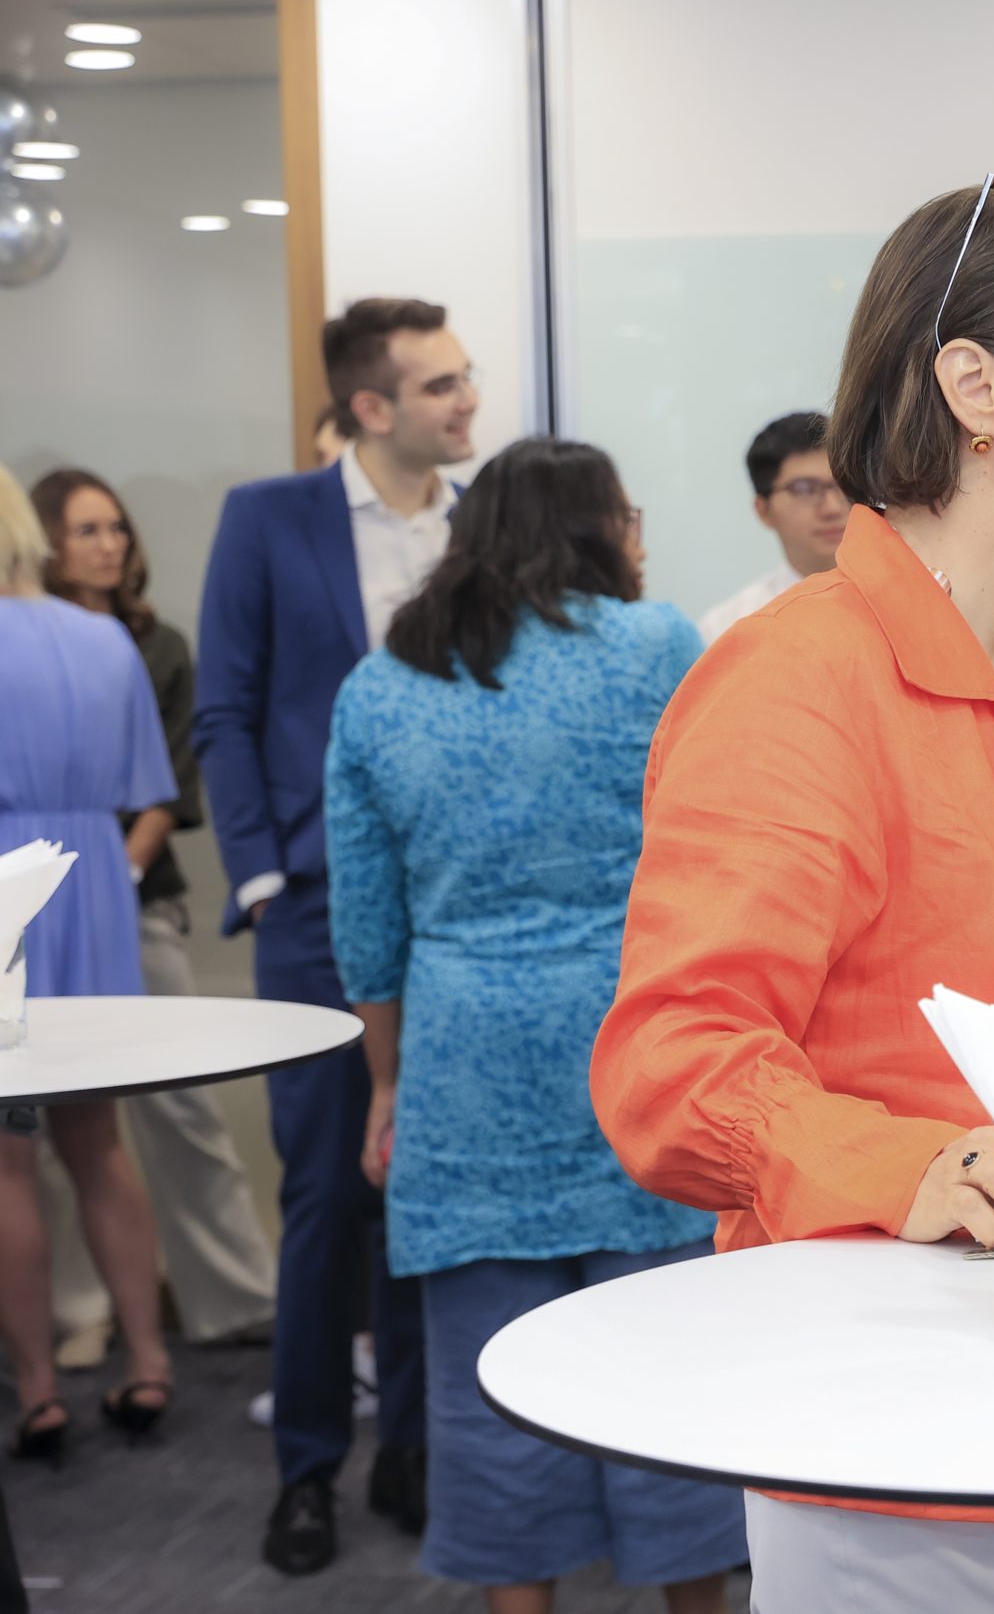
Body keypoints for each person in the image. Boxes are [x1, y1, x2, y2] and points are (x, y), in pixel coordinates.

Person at [592, 176, 994, 1614]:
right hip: (897, 1428)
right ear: (974, 387)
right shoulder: (798, 680)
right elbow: (676, 1065)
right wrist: (921, 1169)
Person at [326, 437, 739, 1613]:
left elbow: (367, 925)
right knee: (673, 1373)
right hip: (636, 1046)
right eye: (628, 515)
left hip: (464, 1061)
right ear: (595, 527)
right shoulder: (656, 645)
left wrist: (388, 1086)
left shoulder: (381, 684)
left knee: (486, 1392)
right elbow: (723, 849)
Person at [198, 296, 470, 1573]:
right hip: (311, 908)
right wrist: (261, 880)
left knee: (421, 1181)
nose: (468, 403)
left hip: (449, 907)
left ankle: (412, 1445)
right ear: (371, 406)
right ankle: (306, 1468)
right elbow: (226, 707)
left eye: (465, 379)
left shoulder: (480, 526)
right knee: (322, 1193)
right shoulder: (270, 518)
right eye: (442, 386)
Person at [28, 469, 278, 1357]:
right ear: (45, 542)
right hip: (36, 903)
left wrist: (110, 873)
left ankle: (236, 1299)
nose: (110, 545)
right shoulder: (28, 643)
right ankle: (80, 1313)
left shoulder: (157, 644)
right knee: (45, 1127)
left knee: (178, 1107)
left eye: (117, 528)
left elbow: (167, 782)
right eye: (87, 530)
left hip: (135, 899)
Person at [0, 465, 180, 1464]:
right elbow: (147, 785)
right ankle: (148, 1360)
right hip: (91, 886)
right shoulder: (106, 639)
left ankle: (37, 1390)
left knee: (6, 1156)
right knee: (99, 1142)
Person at [698, 411, 849, 644]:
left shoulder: (899, 596)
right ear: (763, 511)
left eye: (843, 485)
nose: (832, 508)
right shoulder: (726, 628)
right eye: (805, 490)